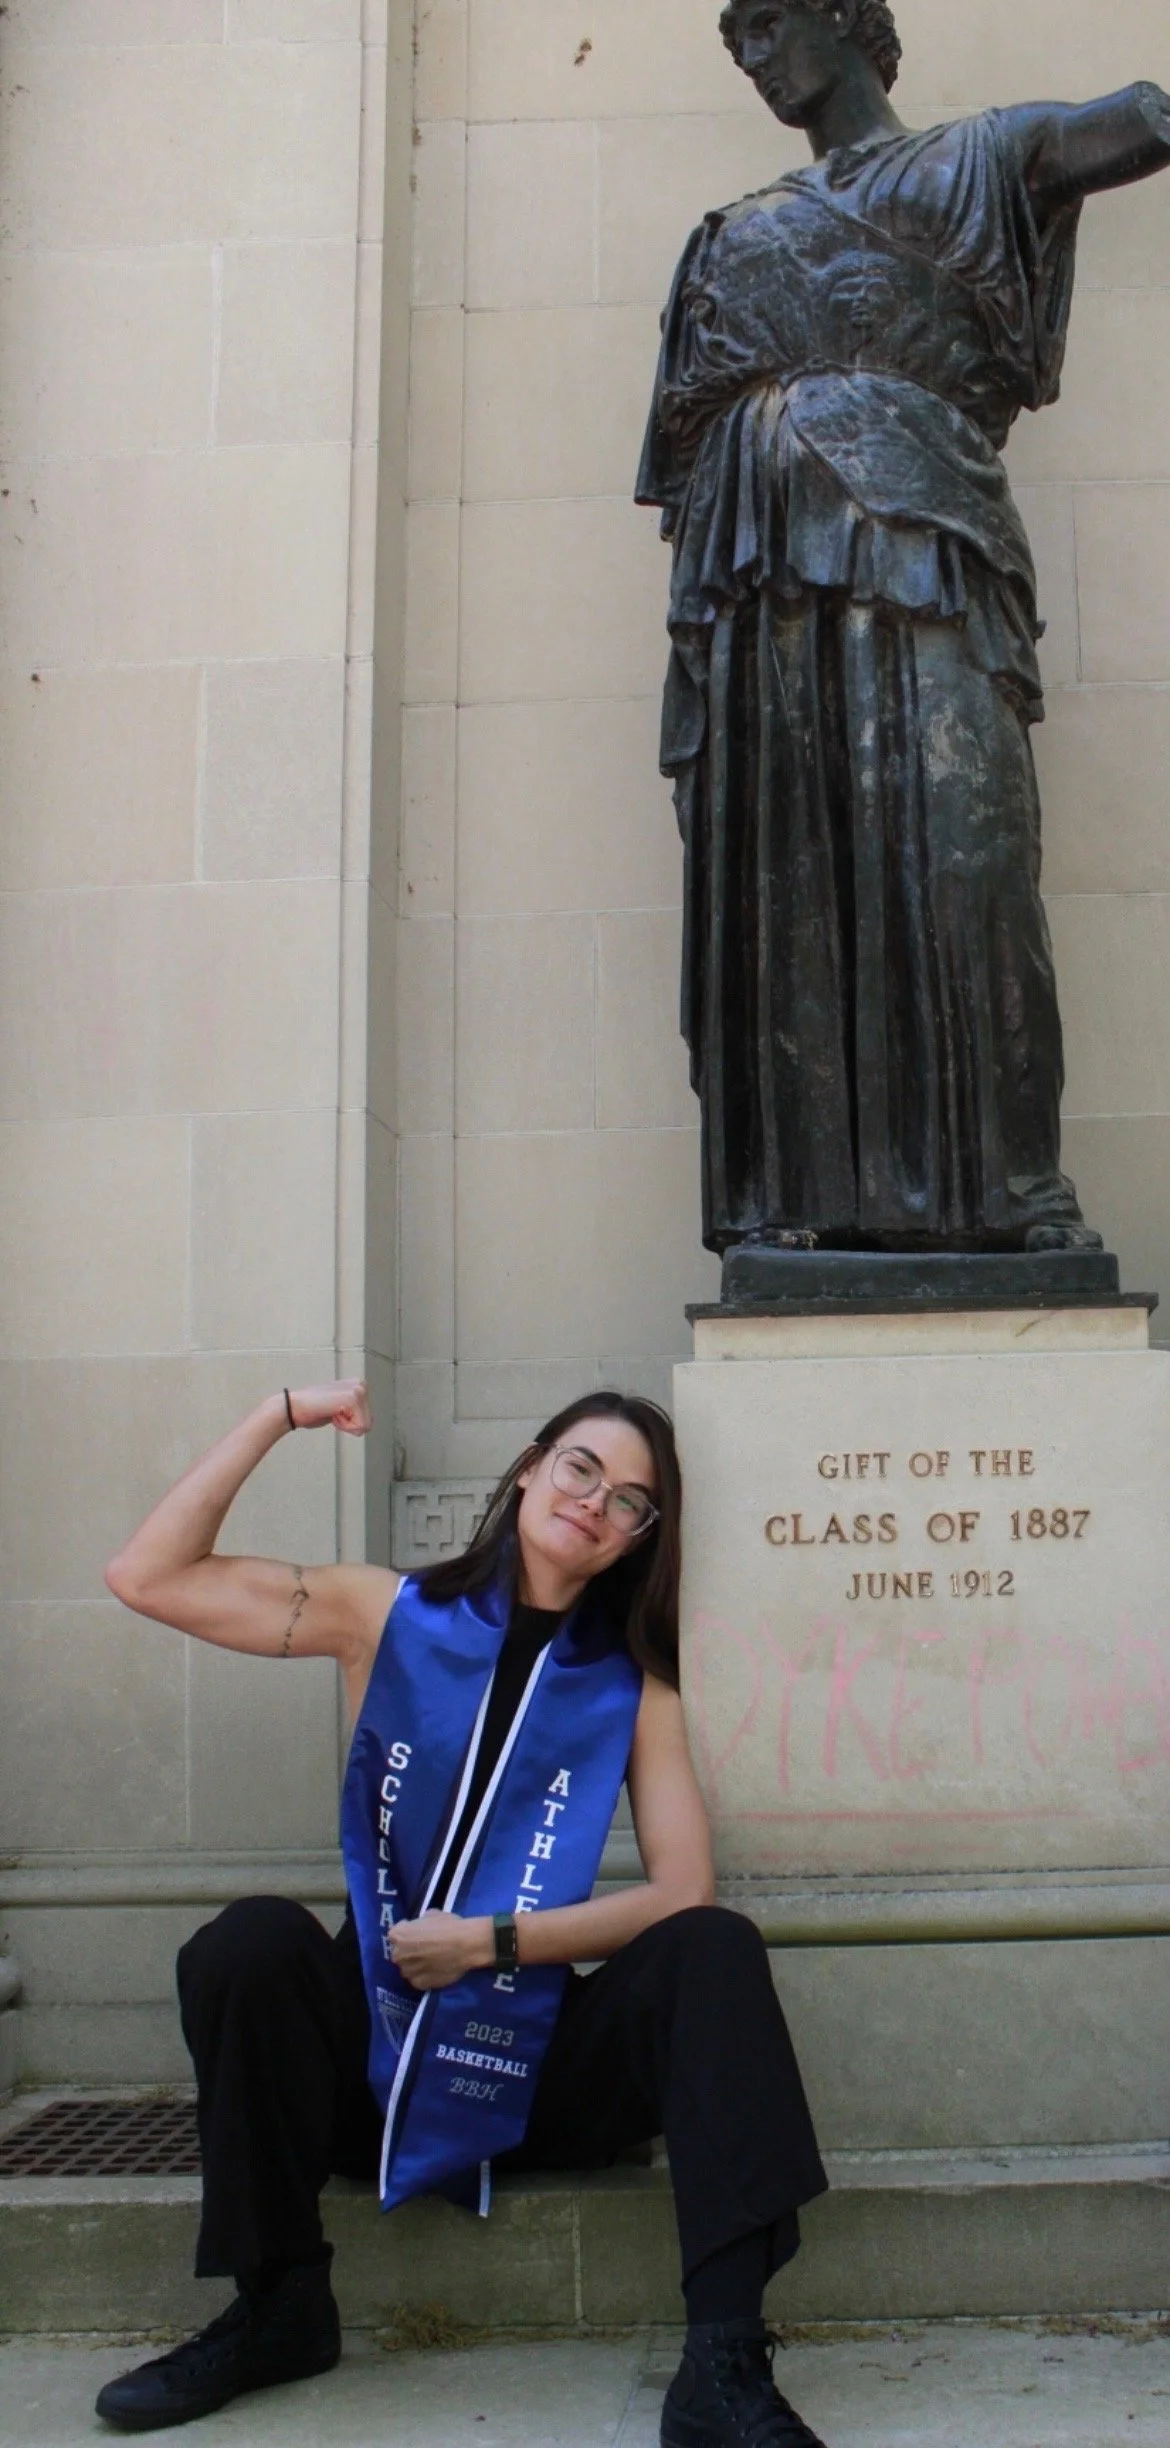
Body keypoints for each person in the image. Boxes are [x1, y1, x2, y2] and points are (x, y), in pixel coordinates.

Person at [94, 1381, 830, 2447]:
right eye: (582, 1468)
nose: (595, 1502)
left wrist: (492, 1942)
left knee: (713, 1947)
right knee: (249, 1942)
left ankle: (722, 2363)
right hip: (376, 2062)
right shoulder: (383, 1615)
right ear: (530, 1466)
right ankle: (279, 2304)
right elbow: (146, 1575)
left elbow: (681, 1890)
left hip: (535, 2070)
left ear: (638, 1541)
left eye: (631, 1501)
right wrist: (277, 1414)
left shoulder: (634, 1686)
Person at [638, 0, 1170, 1258]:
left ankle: (1017, 1191)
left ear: (846, 21)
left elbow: (1138, 122)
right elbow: (684, 453)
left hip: (932, 552)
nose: (754, 57)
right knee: (793, 880)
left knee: (968, 857)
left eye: (771, 24)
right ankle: (803, 1203)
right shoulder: (731, 236)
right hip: (764, 587)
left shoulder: (976, 161)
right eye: (736, 41)